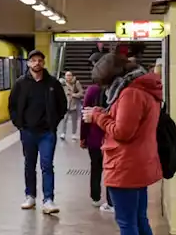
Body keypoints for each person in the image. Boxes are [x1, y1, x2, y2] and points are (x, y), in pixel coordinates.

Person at [84, 53, 163, 235]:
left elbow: (122, 131)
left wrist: (97, 116)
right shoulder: (145, 88)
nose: (106, 88)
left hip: (125, 164)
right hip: (139, 162)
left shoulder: (130, 93)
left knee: (127, 222)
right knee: (140, 220)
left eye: (106, 83)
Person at [8, 49, 67, 214]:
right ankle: (30, 196)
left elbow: (62, 105)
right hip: (27, 132)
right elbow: (12, 105)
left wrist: (53, 122)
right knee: (29, 164)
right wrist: (19, 124)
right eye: (33, 60)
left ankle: (48, 200)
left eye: (40, 60)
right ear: (28, 63)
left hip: (47, 133)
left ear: (44, 62)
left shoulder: (53, 84)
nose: (37, 63)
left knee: (47, 165)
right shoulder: (20, 84)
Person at [79, 83, 114, 212]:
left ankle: (95, 197)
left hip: (94, 137)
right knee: (111, 169)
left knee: (95, 167)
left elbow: (84, 115)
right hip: (111, 136)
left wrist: (83, 136)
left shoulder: (92, 90)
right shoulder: (116, 89)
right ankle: (111, 201)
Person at [62, 71, 84, 142]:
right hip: (65, 104)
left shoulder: (76, 83)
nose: (68, 77)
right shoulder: (63, 84)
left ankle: (74, 134)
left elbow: (81, 92)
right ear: (65, 76)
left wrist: (74, 95)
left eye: (69, 75)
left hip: (74, 104)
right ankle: (63, 133)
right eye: (67, 75)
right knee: (64, 119)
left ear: (72, 76)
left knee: (74, 120)